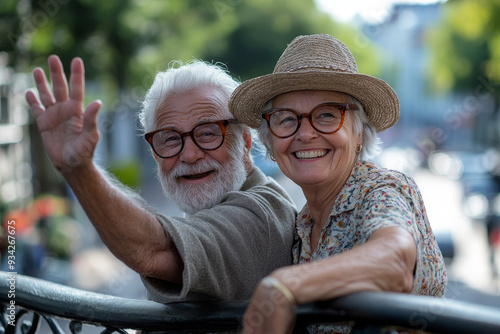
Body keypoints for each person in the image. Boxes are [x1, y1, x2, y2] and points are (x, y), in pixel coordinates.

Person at [25, 55, 297, 302]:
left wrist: (79, 170)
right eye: (169, 138)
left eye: (208, 133)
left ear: (245, 142)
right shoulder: (217, 209)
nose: (189, 155)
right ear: (155, 155)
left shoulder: (262, 214)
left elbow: (154, 250)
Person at [229, 33, 447, 333]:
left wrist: (284, 285)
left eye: (327, 115)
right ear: (270, 143)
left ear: (359, 134)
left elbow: (395, 260)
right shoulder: (303, 223)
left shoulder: (382, 189)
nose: (305, 134)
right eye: (286, 119)